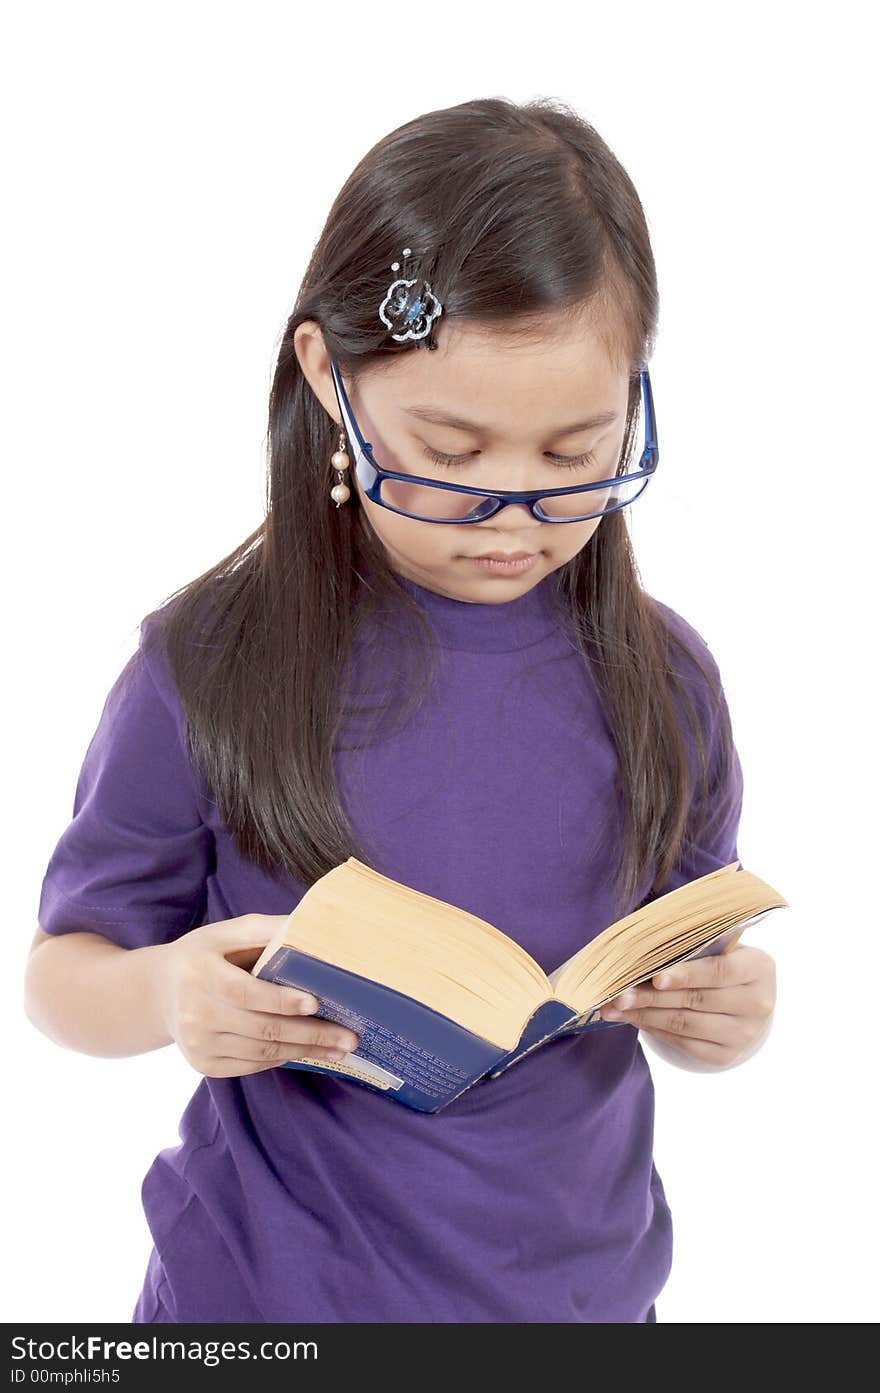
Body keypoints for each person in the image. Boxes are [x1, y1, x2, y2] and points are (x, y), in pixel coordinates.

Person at [25, 95, 777, 1325]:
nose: (515, 508)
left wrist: (723, 1015)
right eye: (453, 449)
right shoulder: (211, 662)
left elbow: (685, 957)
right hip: (266, 1304)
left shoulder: (665, 678)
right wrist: (170, 993)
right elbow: (65, 971)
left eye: (574, 451)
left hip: (583, 1303)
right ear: (330, 375)